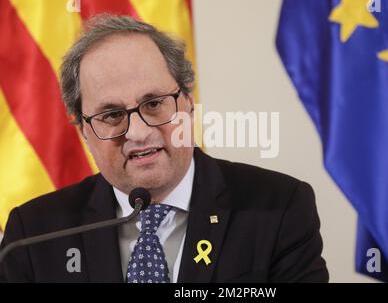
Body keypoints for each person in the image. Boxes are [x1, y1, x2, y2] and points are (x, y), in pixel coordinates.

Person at [0, 15, 328, 283]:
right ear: (84, 129)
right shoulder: (34, 232)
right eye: (112, 115)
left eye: (154, 104)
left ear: (188, 102)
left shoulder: (279, 208)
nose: (139, 133)